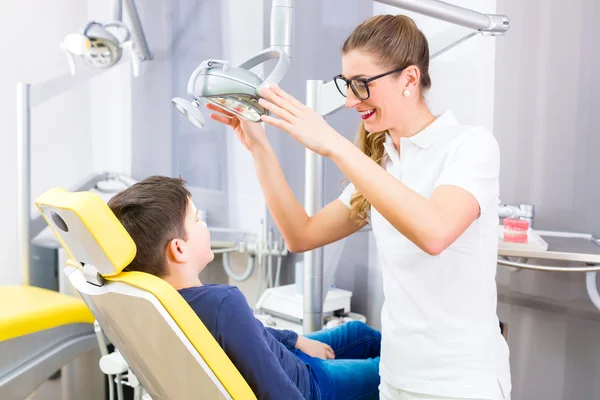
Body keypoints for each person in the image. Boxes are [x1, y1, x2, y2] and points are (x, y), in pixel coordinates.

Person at [207, 13, 511, 400]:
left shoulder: (469, 147)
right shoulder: (382, 164)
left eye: (361, 85)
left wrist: (332, 144)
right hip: (397, 377)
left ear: (410, 79)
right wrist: (258, 147)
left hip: (461, 383)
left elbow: (435, 233)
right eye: (346, 85)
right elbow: (301, 234)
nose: (350, 101)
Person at [107, 175, 381, 400]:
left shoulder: (161, 304)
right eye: (197, 219)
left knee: (358, 333)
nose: (204, 225)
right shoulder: (223, 302)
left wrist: (296, 340)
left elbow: (252, 333)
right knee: (385, 371)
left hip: (291, 357)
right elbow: (279, 392)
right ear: (179, 249)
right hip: (311, 384)